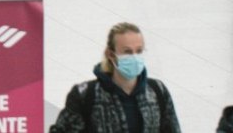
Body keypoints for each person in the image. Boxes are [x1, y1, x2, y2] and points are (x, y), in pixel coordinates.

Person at [48, 22, 182, 133]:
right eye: (127, 52)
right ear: (111, 54)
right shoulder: (85, 95)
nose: (135, 57)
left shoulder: (158, 91)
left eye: (139, 51)